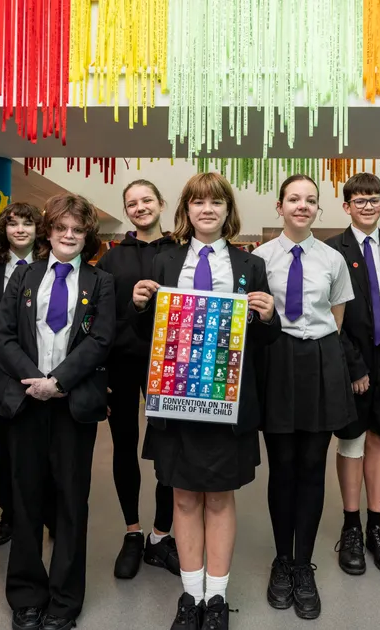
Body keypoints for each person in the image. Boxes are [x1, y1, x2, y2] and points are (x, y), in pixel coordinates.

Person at [132, 172, 279, 630]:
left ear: (227, 211)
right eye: (198, 202)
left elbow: (263, 344)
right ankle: (190, 596)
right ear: (186, 210)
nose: (207, 209)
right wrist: (139, 308)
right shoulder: (163, 261)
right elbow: (147, 337)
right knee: (183, 498)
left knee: (219, 499)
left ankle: (216, 598)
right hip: (175, 403)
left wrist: (269, 318)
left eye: (216, 202)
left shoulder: (249, 265)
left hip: (227, 404)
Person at [0, 194, 115, 630]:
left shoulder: (101, 283)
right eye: (61, 228)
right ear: (49, 231)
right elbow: (3, 338)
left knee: (70, 504)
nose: (68, 236)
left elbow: (101, 341)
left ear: (87, 236)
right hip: (25, 402)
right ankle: (26, 594)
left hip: (73, 405)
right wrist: (35, 382)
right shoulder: (23, 277)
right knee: (25, 501)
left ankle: (65, 600)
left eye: (77, 230)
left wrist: (59, 382)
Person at [253, 174, 355, 620]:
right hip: (276, 359)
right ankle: (281, 559)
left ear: (318, 209)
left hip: (319, 360)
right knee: (283, 467)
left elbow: (336, 315)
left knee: (313, 467)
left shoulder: (333, 259)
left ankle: (302, 565)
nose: (302, 205)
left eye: (311, 200)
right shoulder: (258, 259)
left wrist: (317, 349)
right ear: (279, 207)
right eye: (294, 199)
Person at [326, 173, 380, 577]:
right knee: (351, 441)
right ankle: (350, 527)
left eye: (374, 200)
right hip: (351, 364)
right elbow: (329, 316)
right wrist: (353, 366)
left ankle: (376, 527)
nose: (367, 206)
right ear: (346, 206)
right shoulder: (331, 251)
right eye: (358, 200)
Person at [95, 179, 180, 579]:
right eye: (132, 203)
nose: (141, 207)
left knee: (168, 447)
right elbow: (101, 318)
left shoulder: (181, 252)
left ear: (161, 203)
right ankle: (133, 531)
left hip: (169, 365)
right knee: (124, 446)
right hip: (122, 364)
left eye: (148, 199)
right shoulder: (111, 260)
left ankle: (162, 534)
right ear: (126, 211)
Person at [0, 202, 48, 546]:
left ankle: (47, 514)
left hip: (44, 372)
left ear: (38, 230)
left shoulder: (52, 266)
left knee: (45, 448)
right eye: (13, 224)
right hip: (1, 376)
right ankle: (9, 514)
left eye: (27, 223)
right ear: (3, 231)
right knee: (7, 450)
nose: (20, 230)